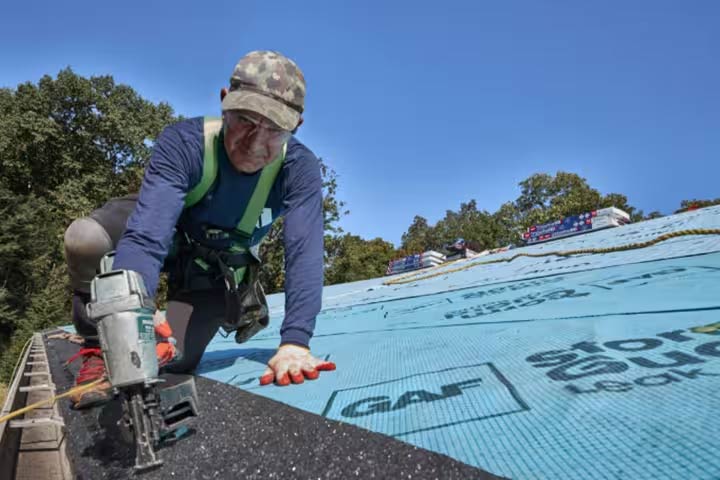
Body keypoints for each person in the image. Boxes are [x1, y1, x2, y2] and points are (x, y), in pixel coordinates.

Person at [63, 50, 336, 409]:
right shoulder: (184, 143)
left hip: (209, 268)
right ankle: (95, 343)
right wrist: (131, 315)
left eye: (273, 129)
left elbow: (304, 253)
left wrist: (295, 343)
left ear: (296, 126)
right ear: (224, 103)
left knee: (168, 356)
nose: (254, 143)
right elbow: (146, 237)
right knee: (86, 240)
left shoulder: (299, 170)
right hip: (166, 229)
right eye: (245, 120)